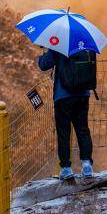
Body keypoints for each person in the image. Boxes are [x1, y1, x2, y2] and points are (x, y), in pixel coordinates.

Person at [38, 48, 94, 180]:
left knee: (64, 131)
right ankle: (87, 165)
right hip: (82, 94)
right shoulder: (85, 45)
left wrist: (44, 53)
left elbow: (44, 65)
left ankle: (66, 168)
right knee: (83, 129)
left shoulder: (58, 44)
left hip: (63, 96)